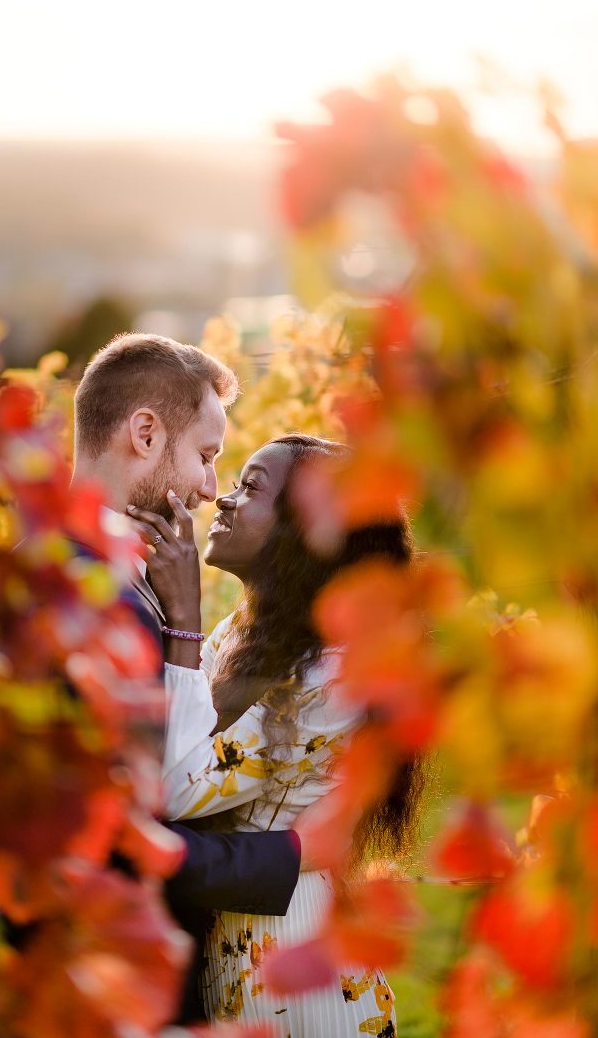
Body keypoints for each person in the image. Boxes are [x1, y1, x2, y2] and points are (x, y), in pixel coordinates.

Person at [127, 434, 423, 1036]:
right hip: (242, 936)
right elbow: (178, 743)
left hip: (296, 953)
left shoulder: (331, 672)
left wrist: (183, 622)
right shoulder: (244, 635)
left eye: (251, 487)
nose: (226, 501)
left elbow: (179, 792)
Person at [70, 334, 303, 1023]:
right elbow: (107, 830)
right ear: (145, 433)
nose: (210, 487)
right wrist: (287, 858)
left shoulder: (116, 579)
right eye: (206, 456)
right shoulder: (81, 599)